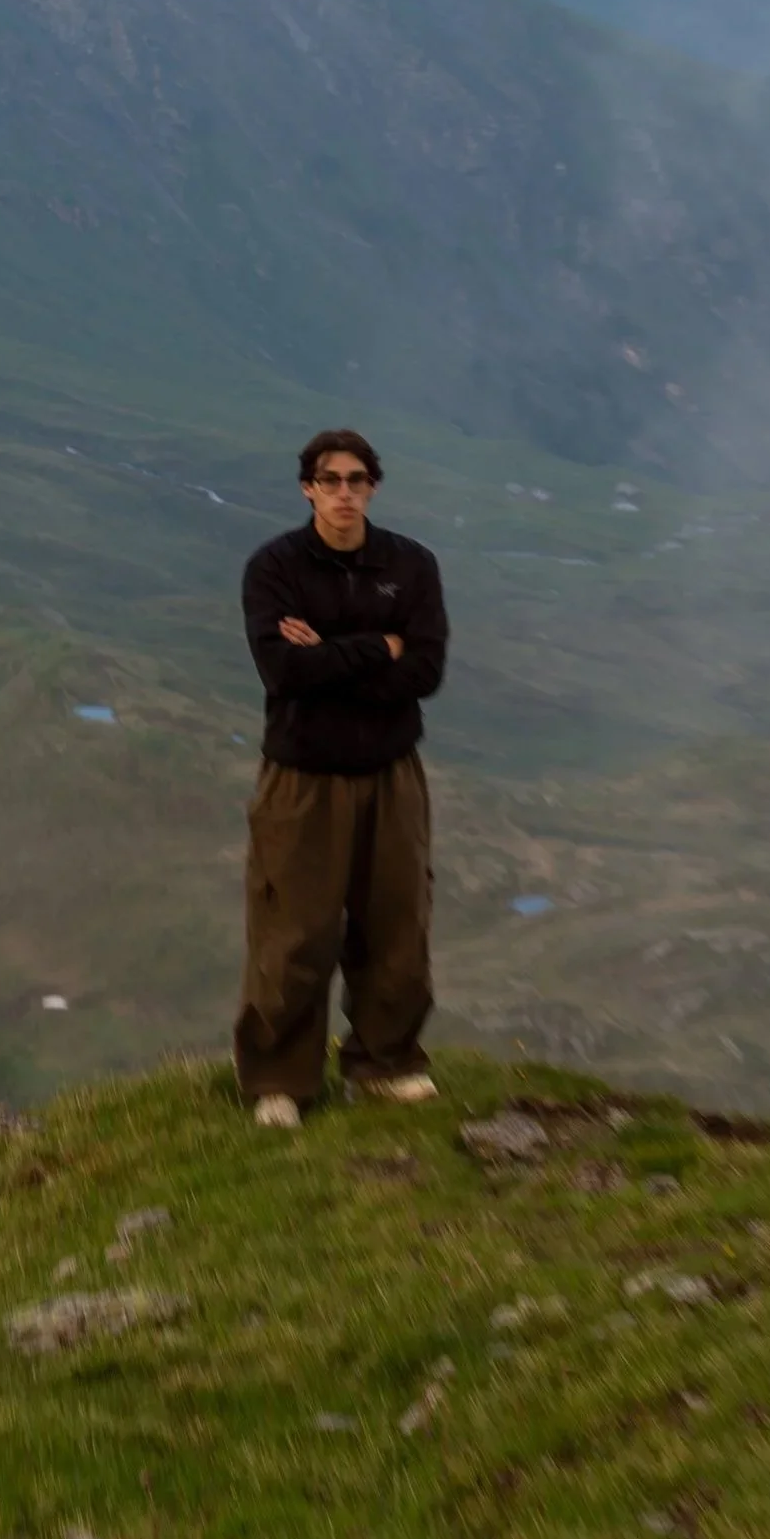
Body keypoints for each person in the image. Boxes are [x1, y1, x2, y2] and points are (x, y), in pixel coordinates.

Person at [233, 426, 449, 1127]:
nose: (345, 492)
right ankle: (279, 1082)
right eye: (331, 480)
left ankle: (385, 1063)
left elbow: (424, 671)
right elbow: (283, 671)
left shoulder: (411, 565)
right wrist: (375, 648)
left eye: (357, 479)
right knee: (293, 928)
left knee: (396, 921)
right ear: (308, 487)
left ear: (374, 486)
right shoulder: (275, 568)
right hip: (303, 776)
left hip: (391, 772)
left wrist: (331, 654)